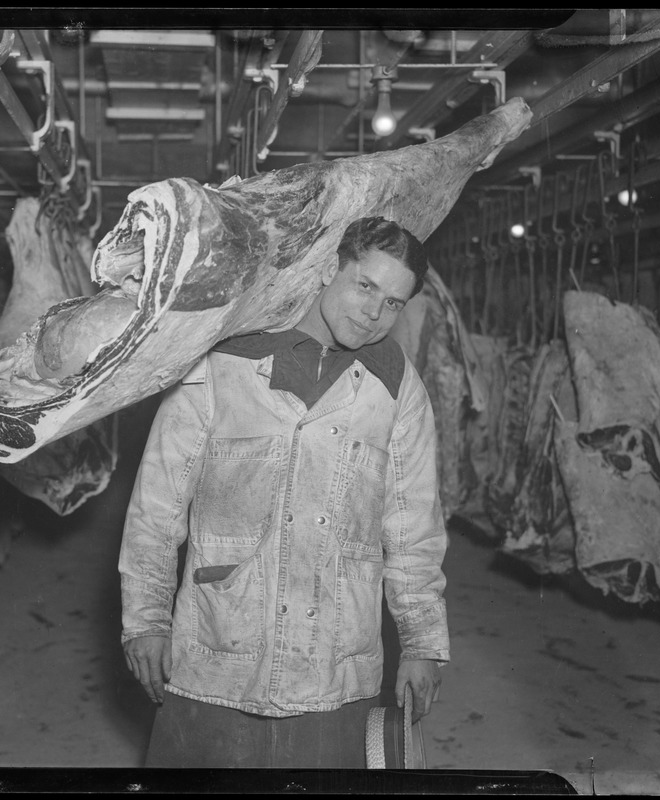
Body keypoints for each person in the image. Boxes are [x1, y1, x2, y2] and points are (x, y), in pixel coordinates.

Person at [119, 216, 449, 768]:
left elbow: (413, 529)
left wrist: (421, 642)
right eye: (365, 286)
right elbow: (158, 505)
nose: (373, 312)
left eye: (393, 303)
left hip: (335, 666)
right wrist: (146, 619)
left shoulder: (398, 389)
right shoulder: (222, 362)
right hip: (216, 653)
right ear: (327, 270)